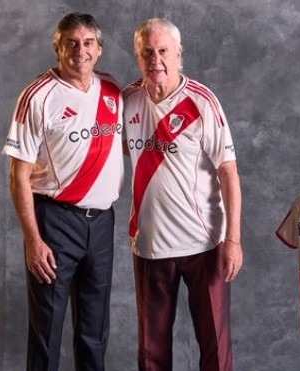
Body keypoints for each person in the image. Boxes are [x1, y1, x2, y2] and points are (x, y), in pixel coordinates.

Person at [2, 12, 124, 371]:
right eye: (71, 43)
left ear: (99, 50)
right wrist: (32, 240)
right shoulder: (37, 96)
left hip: (102, 223)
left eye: (88, 43)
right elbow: (18, 175)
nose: (80, 51)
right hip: (55, 222)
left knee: (94, 331)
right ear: (58, 48)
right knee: (47, 330)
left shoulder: (112, 91)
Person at [123, 18, 243, 371]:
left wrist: (233, 240)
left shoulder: (202, 102)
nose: (155, 60)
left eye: (163, 52)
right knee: (151, 353)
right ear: (137, 56)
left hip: (204, 245)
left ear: (179, 54)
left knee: (215, 350)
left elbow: (229, 173)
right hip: (149, 246)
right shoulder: (127, 100)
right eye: (147, 52)